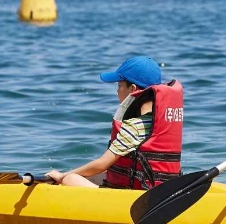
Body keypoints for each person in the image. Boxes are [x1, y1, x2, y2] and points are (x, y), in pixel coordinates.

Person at [47, 56, 183, 189]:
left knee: (70, 179)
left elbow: (102, 163)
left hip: (137, 197)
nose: (117, 91)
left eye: (119, 85)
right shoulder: (161, 123)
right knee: (98, 175)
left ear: (133, 89)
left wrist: (62, 175)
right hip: (160, 190)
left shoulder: (135, 126)